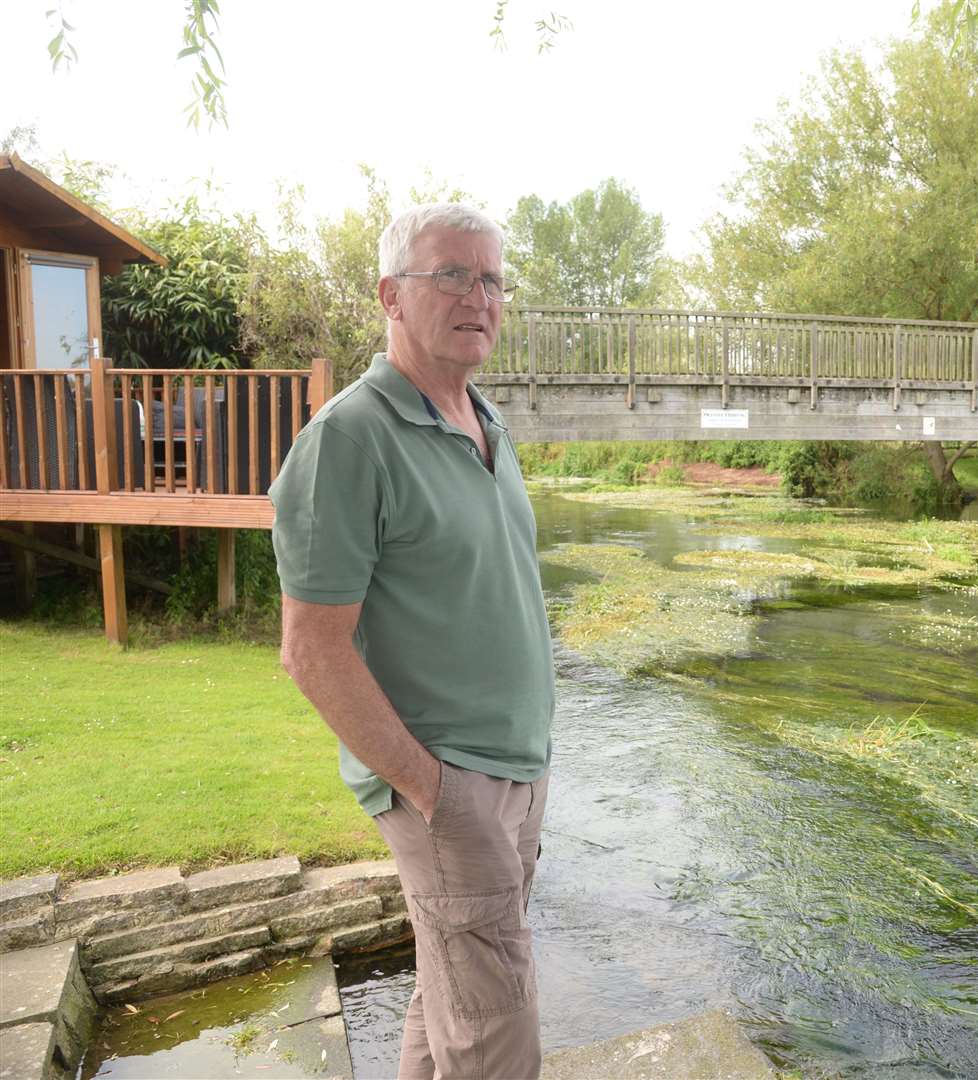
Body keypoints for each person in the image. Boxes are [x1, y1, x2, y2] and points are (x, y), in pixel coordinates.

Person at [271, 203, 555, 1080]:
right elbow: (312, 651)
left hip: (518, 772)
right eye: (453, 275)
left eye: (494, 279)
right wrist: (433, 791)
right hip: (452, 787)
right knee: (500, 1044)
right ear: (392, 295)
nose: (480, 296)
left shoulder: (485, 422)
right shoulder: (350, 441)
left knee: (449, 1006)